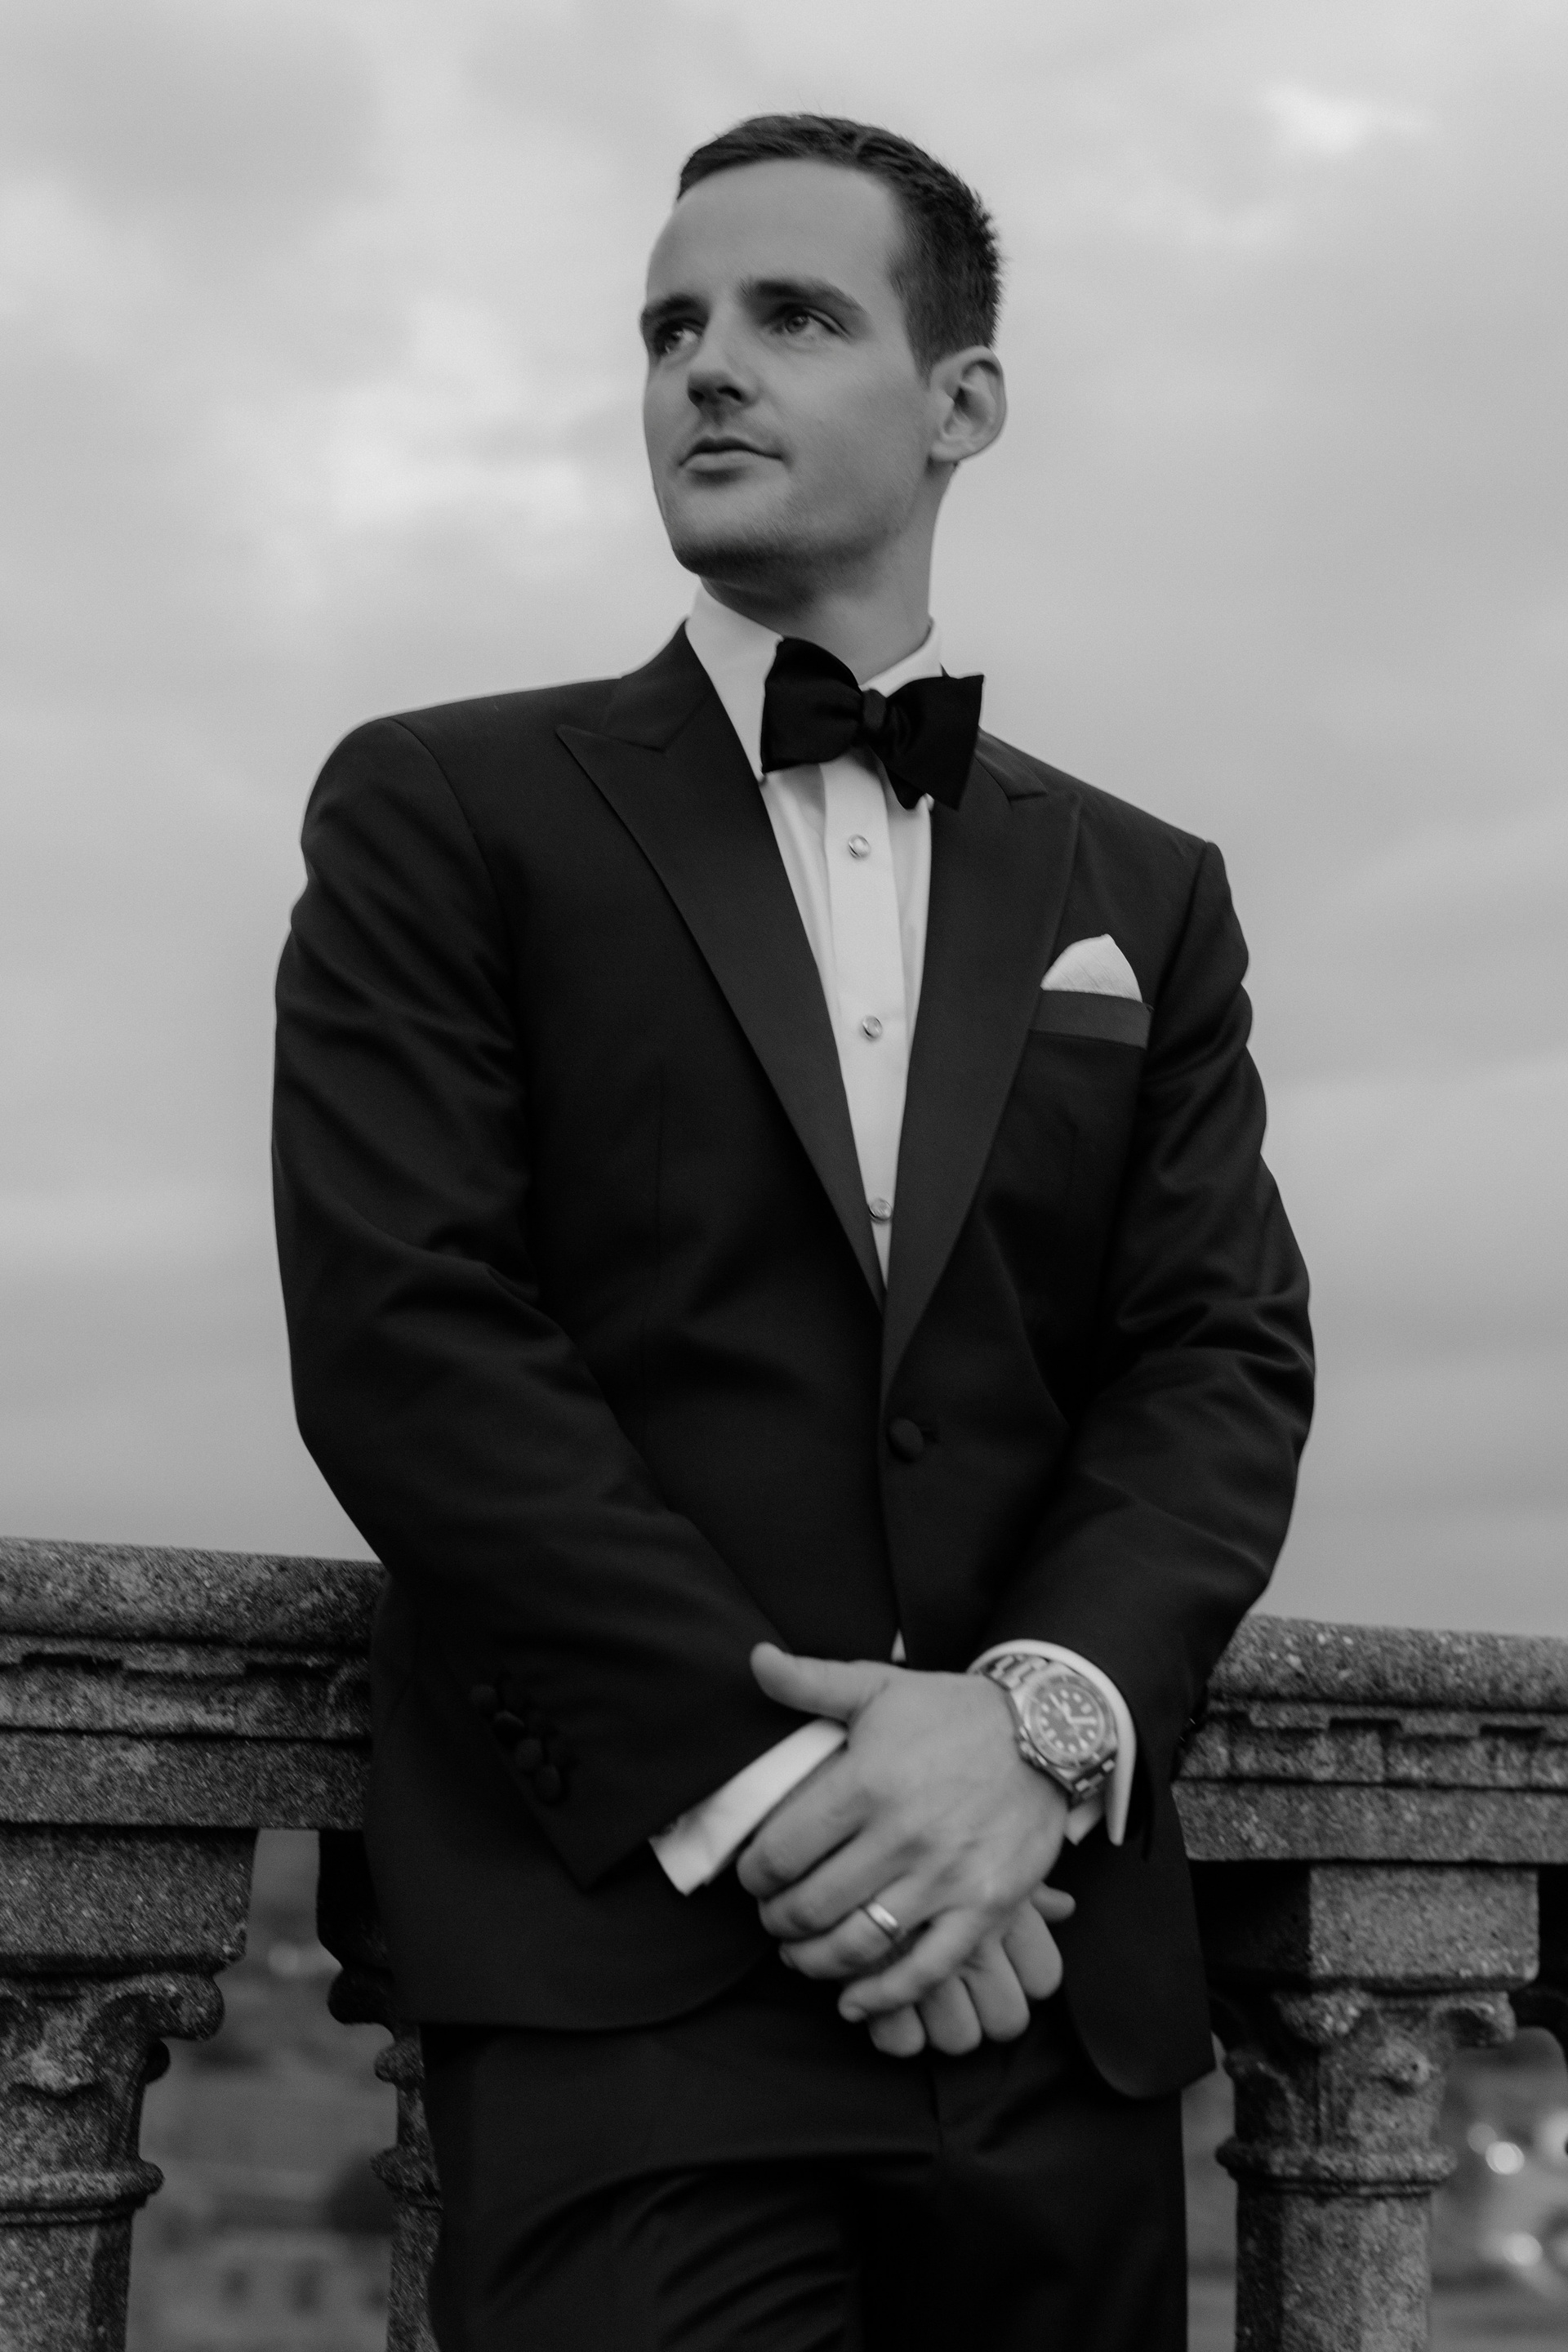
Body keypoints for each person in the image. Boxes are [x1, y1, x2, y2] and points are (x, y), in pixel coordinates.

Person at [273, 111, 1312, 2352]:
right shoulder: (443, 804)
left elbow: (1215, 1354)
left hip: (1054, 1983)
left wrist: (1035, 1732)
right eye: (670, 328)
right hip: (632, 1985)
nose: (706, 368)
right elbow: (410, 1332)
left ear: (962, 402)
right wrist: (800, 1800)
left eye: (794, 316)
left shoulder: (1147, 891)